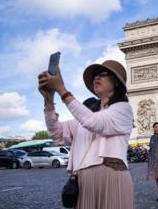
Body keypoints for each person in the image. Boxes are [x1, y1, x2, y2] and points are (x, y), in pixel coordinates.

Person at [38, 60, 135, 209]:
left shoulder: (123, 109)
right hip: (83, 181)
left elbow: (93, 122)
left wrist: (61, 89)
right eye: (95, 75)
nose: (97, 77)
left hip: (112, 177)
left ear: (116, 82)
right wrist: (49, 100)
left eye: (103, 73)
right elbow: (56, 133)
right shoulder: (84, 117)